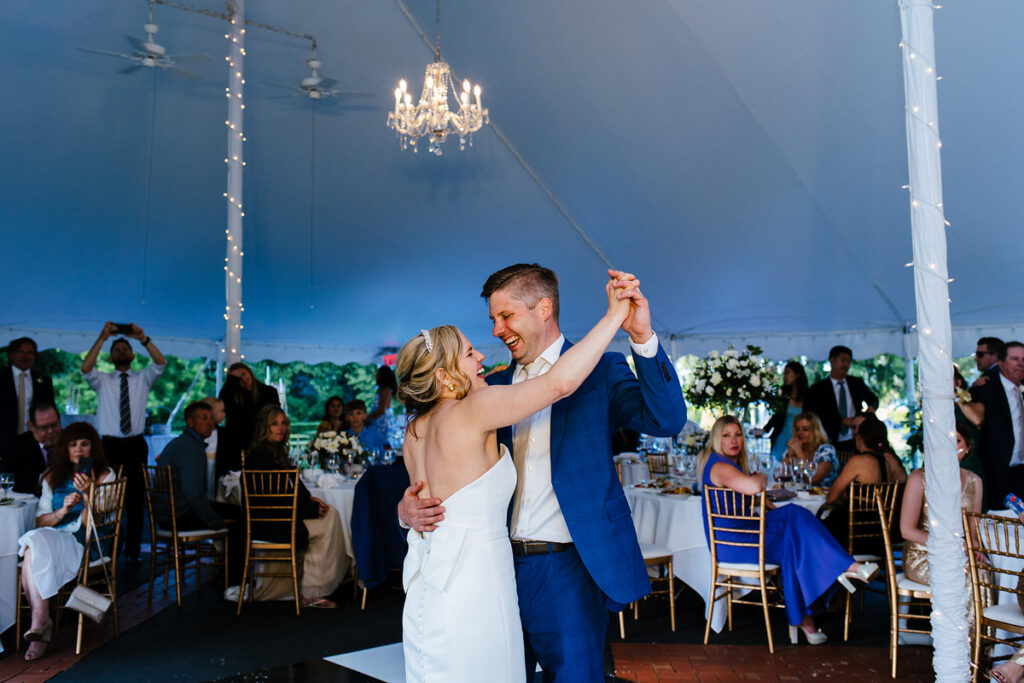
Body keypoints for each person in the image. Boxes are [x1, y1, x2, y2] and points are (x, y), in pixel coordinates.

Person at [399, 265, 687, 681]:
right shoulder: (485, 388)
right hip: (491, 569)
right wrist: (406, 510)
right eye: (493, 320)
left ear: (544, 308)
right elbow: (432, 473)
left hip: (566, 568)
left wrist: (640, 337)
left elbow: (667, 420)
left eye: (506, 316)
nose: (496, 331)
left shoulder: (600, 371)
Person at [700, 415, 877, 645]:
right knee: (793, 521)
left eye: (738, 434)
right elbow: (754, 486)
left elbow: (736, 501)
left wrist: (763, 503)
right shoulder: (720, 465)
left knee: (792, 533)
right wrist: (761, 476)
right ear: (717, 439)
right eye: (726, 435)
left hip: (743, 536)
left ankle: (807, 622)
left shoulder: (728, 465)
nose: (734, 440)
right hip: (733, 545)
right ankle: (846, 568)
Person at [17, 422, 115, 661]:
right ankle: (41, 621)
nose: (78, 450)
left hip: (85, 541)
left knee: (31, 550)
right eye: (72, 445)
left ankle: (41, 624)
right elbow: (39, 521)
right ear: (65, 448)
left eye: (84, 444)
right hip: (55, 535)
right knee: (34, 540)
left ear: (93, 447)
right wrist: (62, 511)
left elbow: (94, 522)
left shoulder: (104, 474)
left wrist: (89, 492)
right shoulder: (51, 476)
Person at [243, 405, 344, 609]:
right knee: (329, 520)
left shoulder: (274, 450)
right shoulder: (262, 456)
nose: (280, 428)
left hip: (278, 517)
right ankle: (312, 590)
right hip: (271, 522)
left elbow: (293, 485)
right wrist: (310, 510)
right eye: (274, 424)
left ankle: (311, 586)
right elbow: (272, 500)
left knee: (330, 515)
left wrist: (311, 501)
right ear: (265, 426)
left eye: (283, 423)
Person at [81, 322, 165, 564]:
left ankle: (133, 550)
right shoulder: (102, 380)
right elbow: (86, 368)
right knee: (106, 496)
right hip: (109, 445)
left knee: (136, 499)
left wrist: (143, 338)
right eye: (116, 349)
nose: (120, 352)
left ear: (132, 354)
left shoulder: (142, 378)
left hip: (135, 444)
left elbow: (160, 363)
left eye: (124, 348)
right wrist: (102, 337)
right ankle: (108, 547)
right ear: (110, 355)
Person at [900, 421, 989, 630]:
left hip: (958, 552)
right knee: (965, 573)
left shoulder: (975, 481)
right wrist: (950, 544)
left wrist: (975, 548)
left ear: (967, 447)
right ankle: (961, 647)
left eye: (957, 441)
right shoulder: (918, 478)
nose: (951, 446)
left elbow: (972, 529)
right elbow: (906, 530)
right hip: (923, 554)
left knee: (982, 570)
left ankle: (980, 647)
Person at [155, 402, 231, 531]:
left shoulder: (182, 442)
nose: (209, 423)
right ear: (190, 422)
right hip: (177, 516)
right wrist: (216, 521)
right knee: (238, 515)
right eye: (204, 418)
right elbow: (193, 493)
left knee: (229, 511)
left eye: (211, 418)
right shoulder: (190, 448)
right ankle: (230, 551)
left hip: (166, 513)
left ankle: (222, 549)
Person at [820, 413, 891, 550]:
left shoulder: (859, 461)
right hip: (879, 532)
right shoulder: (886, 462)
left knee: (812, 526)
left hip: (855, 531)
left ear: (860, 437)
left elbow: (831, 498)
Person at [970, 340, 1024, 505]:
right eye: (1015, 359)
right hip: (996, 473)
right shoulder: (984, 389)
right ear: (1000, 363)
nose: (1021, 364)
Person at [803, 345, 879, 449]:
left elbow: (873, 399)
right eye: (843, 360)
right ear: (832, 360)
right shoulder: (818, 389)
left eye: (849, 362)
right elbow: (815, 414)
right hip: (828, 440)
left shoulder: (856, 383)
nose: (846, 365)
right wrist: (841, 421)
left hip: (855, 439)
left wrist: (870, 409)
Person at [218, 362, 280, 474]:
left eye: (244, 374)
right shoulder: (233, 396)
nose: (243, 379)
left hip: (263, 440)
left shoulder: (268, 392)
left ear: (250, 373)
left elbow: (275, 415)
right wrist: (232, 381)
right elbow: (224, 404)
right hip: (239, 443)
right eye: (238, 378)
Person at [1, 337, 55, 449]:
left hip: (34, 440)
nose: (25, 356)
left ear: (35, 356)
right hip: (3, 439)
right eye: (21, 352)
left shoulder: (44, 381)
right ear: (12, 355)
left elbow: (51, 411)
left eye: (30, 352)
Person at [753, 360, 808, 463]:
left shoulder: (808, 396)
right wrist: (764, 430)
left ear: (798, 375)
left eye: (788, 372)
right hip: (782, 436)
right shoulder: (783, 394)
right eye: (784, 373)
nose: (785, 376)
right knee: (778, 465)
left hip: (800, 438)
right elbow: (776, 416)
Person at [1, 401, 62, 494]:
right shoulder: (15, 446)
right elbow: (10, 480)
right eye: (44, 427)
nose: (50, 431)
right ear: (31, 426)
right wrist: (41, 479)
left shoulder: (70, 440)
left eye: (54, 425)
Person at [783, 412, 839, 487]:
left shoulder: (826, 450)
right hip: (799, 495)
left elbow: (813, 480)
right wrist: (790, 455)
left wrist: (799, 453)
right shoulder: (795, 448)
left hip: (823, 495)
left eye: (805, 429)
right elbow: (778, 477)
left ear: (815, 431)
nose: (800, 433)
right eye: (797, 429)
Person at [366, 366, 398, 447]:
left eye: (377, 374)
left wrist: (367, 417)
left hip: (381, 422)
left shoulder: (384, 390)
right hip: (384, 420)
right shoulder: (386, 390)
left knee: (381, 444)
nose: (376, 376)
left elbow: (381, 410)